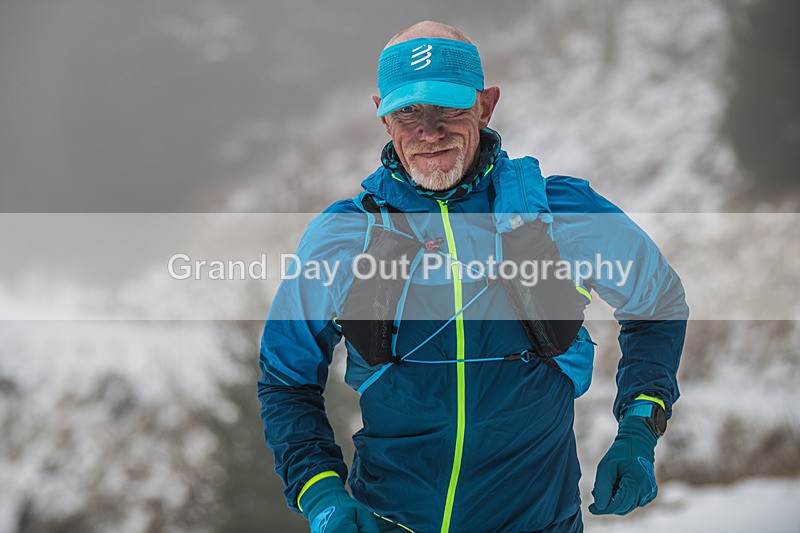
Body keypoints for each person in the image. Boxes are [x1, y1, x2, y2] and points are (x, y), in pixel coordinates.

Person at [258, 21, 688, 533]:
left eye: (449, 108)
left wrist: (640, 425)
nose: (428, 130)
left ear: (486, 105)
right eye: (408, 110)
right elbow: (286, 380)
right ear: (382, 114)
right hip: (390, 523)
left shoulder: (561, 214)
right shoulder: (346, 235)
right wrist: (320, 490)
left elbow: (657, 304)